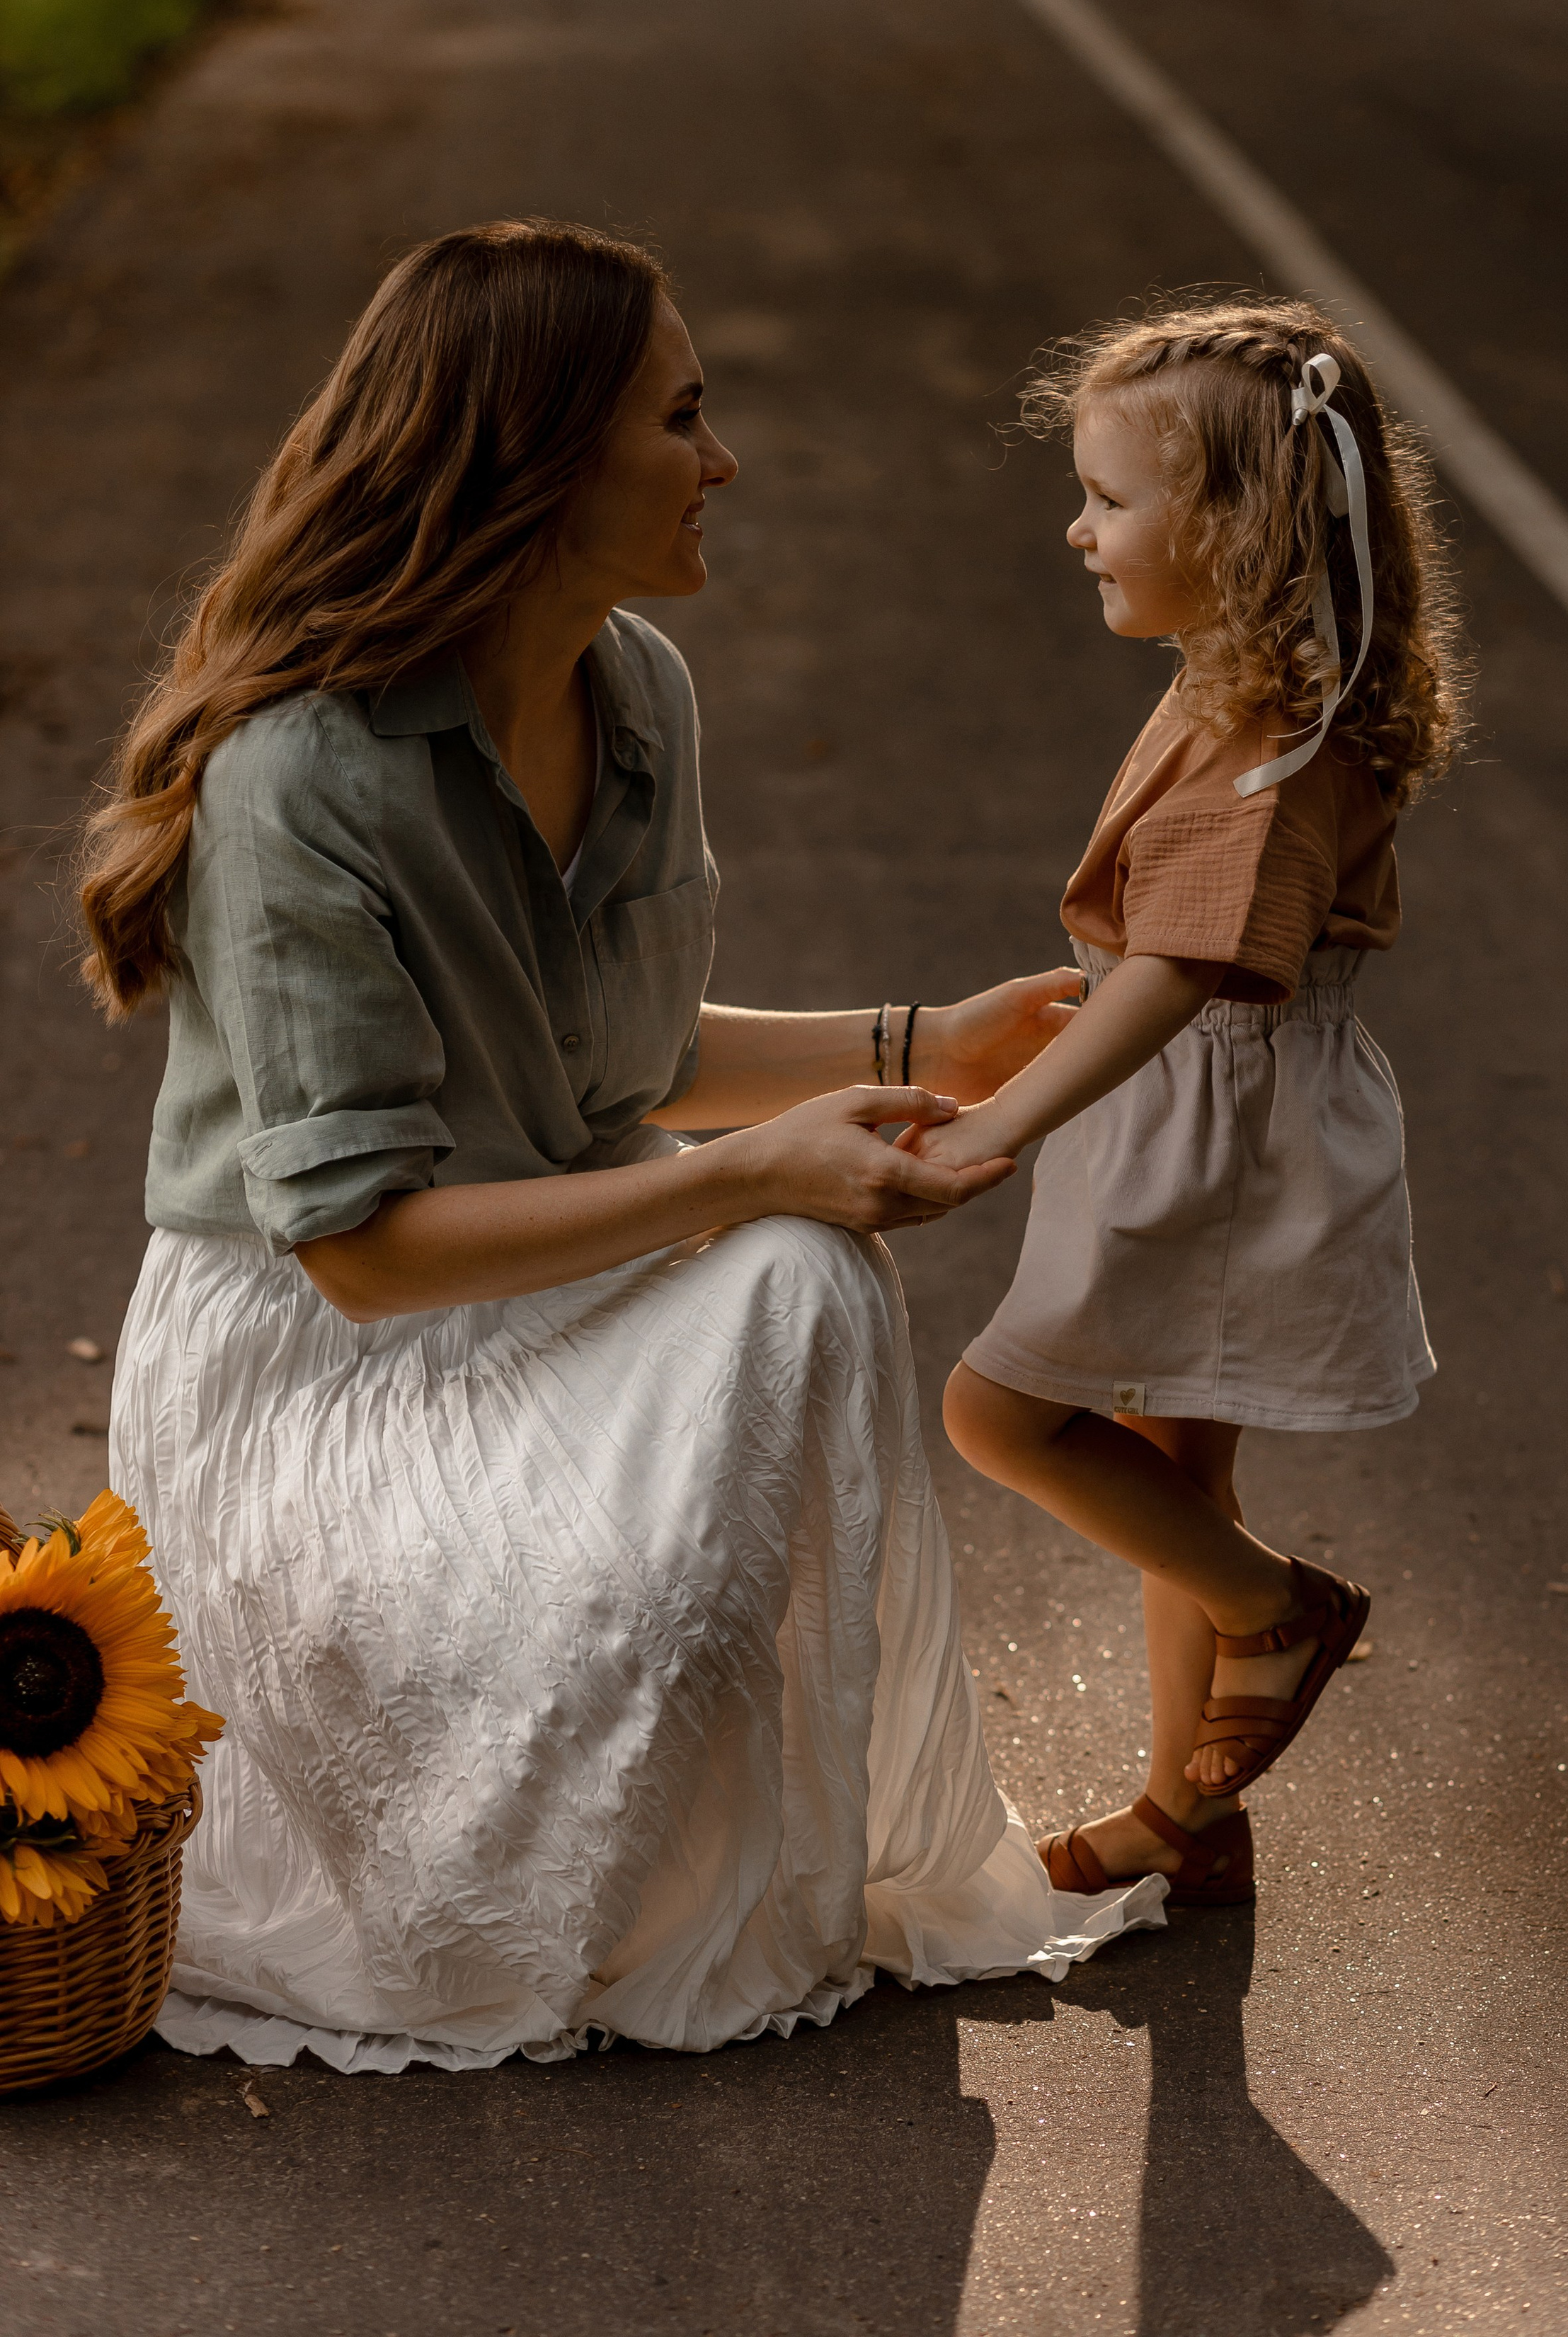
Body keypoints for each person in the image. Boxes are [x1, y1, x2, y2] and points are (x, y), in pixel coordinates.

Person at [76, 219, 1164, 2074]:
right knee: (790, 1258)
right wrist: (752, 1171)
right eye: (682, 417)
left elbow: (626, 1052)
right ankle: (506, 1887)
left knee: (808, 1269)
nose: (721, 461)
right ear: (538, 462)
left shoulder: (637, 688)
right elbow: (361, 1247)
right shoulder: (299, 779)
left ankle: (677, 1873)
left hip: (551, 1273)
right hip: (324, 1365)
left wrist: (927, 1040)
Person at [903, 299, 1466, 1909]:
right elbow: (1154, 961)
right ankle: (1183, 1813)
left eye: (1109, 498)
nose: (1076, 528)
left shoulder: (1269, 742)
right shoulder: (1253, 684)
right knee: (1171, 1467)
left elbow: (1179, 974)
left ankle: (1275, 1613)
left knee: (995, 1412)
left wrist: (999, 1127)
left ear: (1235, 525)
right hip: (1202, 1105)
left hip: (1211, 1129)